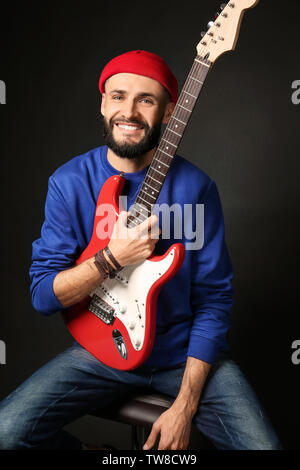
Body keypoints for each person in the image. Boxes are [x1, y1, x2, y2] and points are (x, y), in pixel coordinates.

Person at [0, 50, 282, 450]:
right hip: (102, 352)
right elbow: (44, 296)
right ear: (103, 102)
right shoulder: (69, 182)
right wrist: (111, 258)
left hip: (184, 358)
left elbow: (214, 299)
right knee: (6, 433)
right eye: (118, 96)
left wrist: (184, 405)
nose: (128, 111)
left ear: (169, 112)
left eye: (146, 100)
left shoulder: (197, 189)